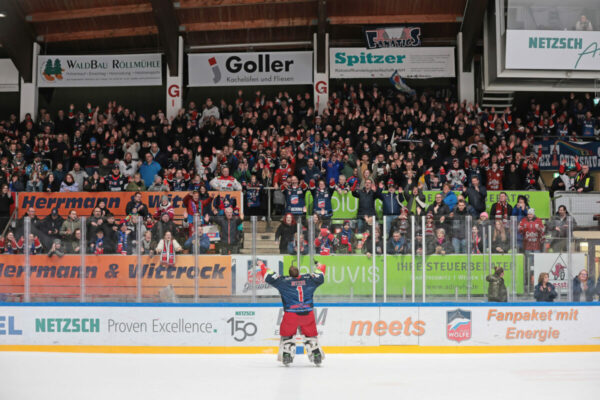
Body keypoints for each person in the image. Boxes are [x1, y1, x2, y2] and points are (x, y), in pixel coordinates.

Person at [258, 260, 326, 366]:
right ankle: (316, 353)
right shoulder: (309, 279)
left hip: (291, 314)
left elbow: (268, 275)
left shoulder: (283, 281)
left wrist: (261, 265)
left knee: (287, 336)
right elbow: (320, 275)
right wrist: (319, 265)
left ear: (289, 274)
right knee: (311, 336)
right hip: (308, 313)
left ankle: (287, 355)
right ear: (299, 272)